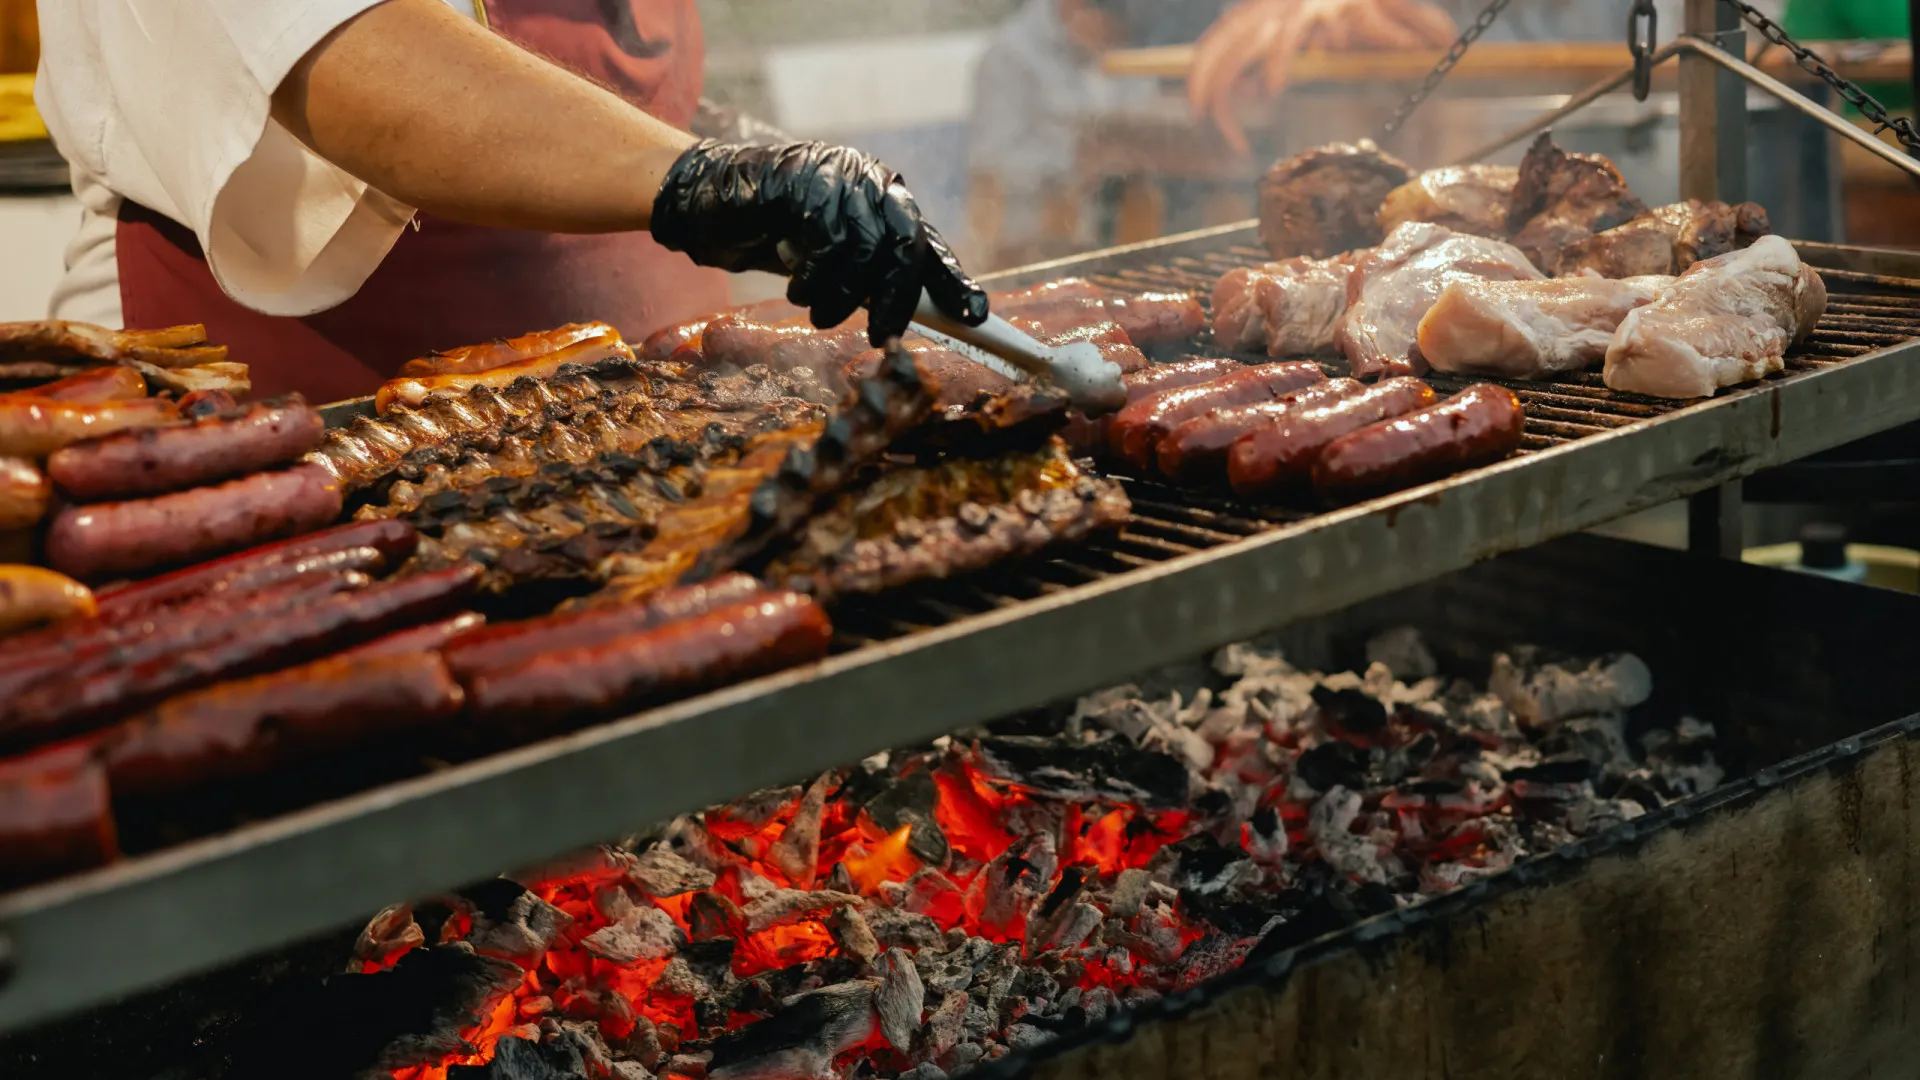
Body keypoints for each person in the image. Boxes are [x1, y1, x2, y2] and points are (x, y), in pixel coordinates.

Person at [35, 0, 987, 401]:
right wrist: (706, 180)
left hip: (656, 428)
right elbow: (346, 59)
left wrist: (735, 142)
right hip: (312, 433)